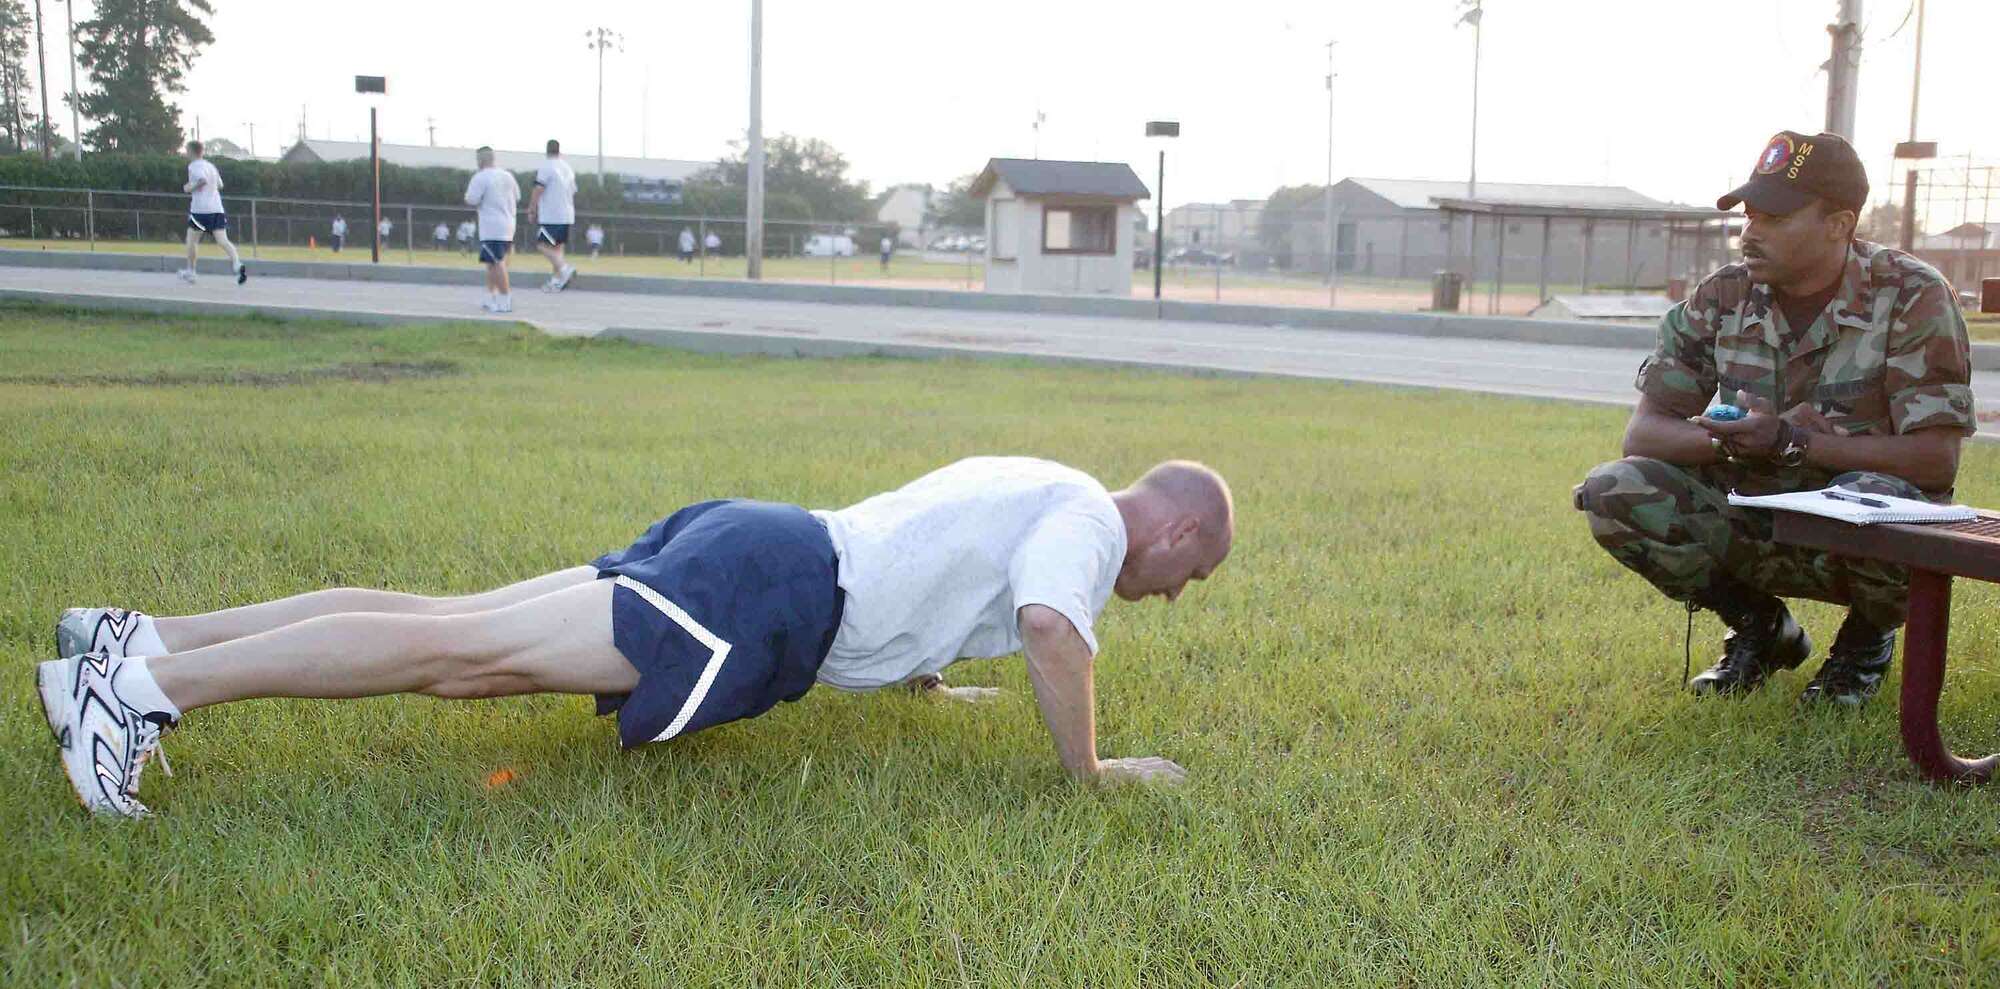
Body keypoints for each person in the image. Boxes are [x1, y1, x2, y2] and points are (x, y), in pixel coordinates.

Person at [38, 457, 1232, 818]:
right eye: (1193, 570)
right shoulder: (1085, 518)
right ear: (1172, 524)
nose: (1176, 593)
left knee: (454, 623)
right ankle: (138, 694)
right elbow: (1045, 625)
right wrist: (1088, 769)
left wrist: (921, 683)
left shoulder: (1046, 484)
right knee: (468, 658)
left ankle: (139, 638)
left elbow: (928, 562)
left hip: (763, 551)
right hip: (766, 592)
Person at [1574, 131, 1973, 708]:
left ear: (1839, 223)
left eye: (1775, 217)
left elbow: (1937, 459)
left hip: (1863, 527)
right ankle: (1762, 629)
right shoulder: (1724, 295)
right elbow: (1645, 434)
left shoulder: (1912, 295)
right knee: (1614, 489)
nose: (1751, 232)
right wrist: (1747, 445)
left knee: (1878, 495)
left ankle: (1864, 644)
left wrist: (1796, 442)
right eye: (1749, 214)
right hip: (1758, 511)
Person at [178, 141, 247, 285]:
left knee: (192, 241)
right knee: (223, 240)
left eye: (186, 150)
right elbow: (220, 185)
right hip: (216, 209)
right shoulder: (210, 166)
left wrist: (190, 187)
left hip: (200, 210)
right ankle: (237, 264)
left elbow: (202, 181)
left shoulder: (194, 166)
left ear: (191, 151)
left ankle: (191, 272)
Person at [462, 145, 521, 313]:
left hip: (492, 226)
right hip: (508, 224)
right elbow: (517, 196)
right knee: (491, 262)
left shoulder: (481, 177)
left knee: (496, 262)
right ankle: (490, 296)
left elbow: (471, 199)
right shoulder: (508, 176)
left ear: (480, 160)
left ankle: (505, 299)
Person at [528, 139, 579, 291]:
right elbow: (573, 190)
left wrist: (532, 209)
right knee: (557, 248)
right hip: (567, 214)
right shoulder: (567, 168)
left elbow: (538, 189)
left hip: (551, 215)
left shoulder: (546, 166)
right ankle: (557, 280)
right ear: (559, 151)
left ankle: (564, 269)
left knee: (542, 245)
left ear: (546, 151)